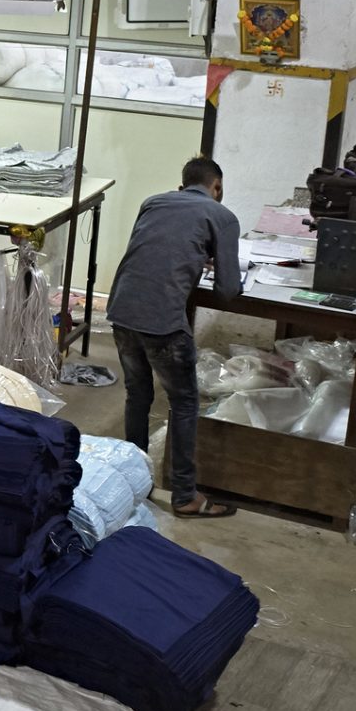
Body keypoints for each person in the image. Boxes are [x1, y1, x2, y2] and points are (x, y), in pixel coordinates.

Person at [109, 156, 244, 519]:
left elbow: (153, 251)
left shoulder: (152, 202)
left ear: (182, 183)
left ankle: (132, 481)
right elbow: (228, 290)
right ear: (217, 187)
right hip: (162, 323)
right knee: (184, 402)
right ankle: (185, 496)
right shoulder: (223, 216)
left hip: (121, 311)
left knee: (138, 393)